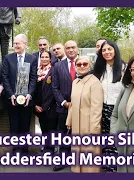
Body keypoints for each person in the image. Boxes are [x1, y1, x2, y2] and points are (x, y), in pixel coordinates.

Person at [66, 56, 103, 173]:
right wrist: (69, 121)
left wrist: (94, 130)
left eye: (85, 64)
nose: (82, 66)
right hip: (77, 124)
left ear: (89, 66)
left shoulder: (95, 82)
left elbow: (97, 108)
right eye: (79, 64)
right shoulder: (75, 82)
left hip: (89, 126)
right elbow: (73, 103)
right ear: (75, 66)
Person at [93, 40, 126, 172]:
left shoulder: (124, 68)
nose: (107, 52)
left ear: (115, 50)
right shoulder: (100, 69)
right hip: (103, 107)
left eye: (109, 49)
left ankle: (115, 165)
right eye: (104, 50)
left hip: (118, 108)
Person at [2, 34, 37, 154]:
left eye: (18, 43)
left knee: (25, 126)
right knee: (14, 126)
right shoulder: (8, 58)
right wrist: (10, 94)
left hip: (27, 99)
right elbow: (5, 78)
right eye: (14, 43)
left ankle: (25, 150)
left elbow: (33, 78)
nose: (15, 46)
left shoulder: (32, 59)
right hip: (12, 99)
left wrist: (29, 94)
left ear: (25, 44)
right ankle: (15, 150)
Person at [51, 40, 78, 171]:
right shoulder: (57, 66)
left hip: (81, 107)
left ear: (77, 48)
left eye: (73, 47)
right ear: (65, 50)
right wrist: (64, 103)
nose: (71, 50)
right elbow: (54, 87)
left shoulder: (84, 64)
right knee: (62, 134)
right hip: (63, 107)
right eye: (68, 48)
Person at [33, 50, 57, 153]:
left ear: (50, 58)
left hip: (50, 106)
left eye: (46, 57)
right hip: (39, 106)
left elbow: (54, 90)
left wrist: (45, 106)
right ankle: (46, 147)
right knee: (43, 128)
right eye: (42, 57)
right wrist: (35, 105)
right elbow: (33, 89)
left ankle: (50, 149)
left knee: (51, 128)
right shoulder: (37, 71)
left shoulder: (53, 70)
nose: (44, 59)